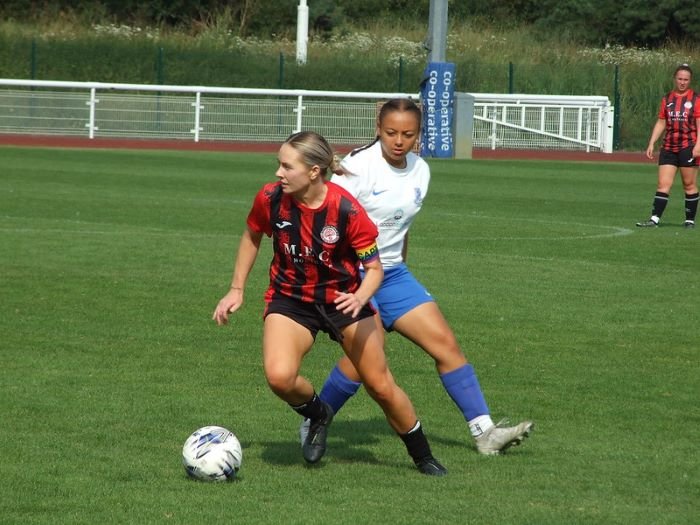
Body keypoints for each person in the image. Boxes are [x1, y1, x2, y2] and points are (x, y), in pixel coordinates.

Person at [301, 98, 534, 456]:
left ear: (418, 135)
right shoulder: (356, 169)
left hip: (393, 274)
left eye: (407, 134)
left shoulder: (421, 170)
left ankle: (485, 433)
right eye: (391, 132)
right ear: (378, 128)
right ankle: (315, 420)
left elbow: (402, 228)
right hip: (354, 275)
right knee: (366, 360)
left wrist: (399, 272)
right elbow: (329, 226)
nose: (398, 140)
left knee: (446, 345)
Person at [212, 130, 447, 476]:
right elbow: (252, 234)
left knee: (380, 386)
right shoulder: (270, 198)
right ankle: (319, 413)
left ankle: (423, 456)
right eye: (278, 164)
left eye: (286, 166)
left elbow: (375, 268)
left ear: (314, 171)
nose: (278, 173)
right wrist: (236, 288)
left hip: (344, 301)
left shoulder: (347, 210)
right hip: (291, 298)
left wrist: (362, 296)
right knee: (279, 377)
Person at [637, 63, 700, 228]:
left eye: (686, 79)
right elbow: (661, 122)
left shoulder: (696, 99)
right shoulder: (667, 99)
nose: (682, 82)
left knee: (689, 184)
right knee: (663, 183)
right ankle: (654, 219)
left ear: (690, 80)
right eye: (680, 79)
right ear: (675, 79)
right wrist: (652, 142)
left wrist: (698, 145)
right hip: (669, 147)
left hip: (689, 146)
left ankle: (689, 221)